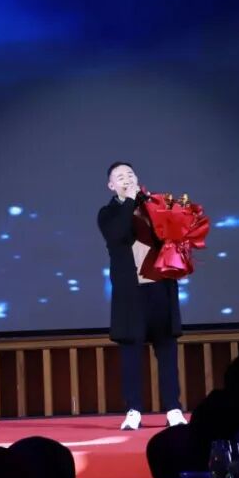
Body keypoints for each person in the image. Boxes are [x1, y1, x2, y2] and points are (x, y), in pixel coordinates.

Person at [98, 162, 186, 430]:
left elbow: (172, 235)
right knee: (131, 356)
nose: (126, 179)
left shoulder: (154, 205)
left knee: (167, 351)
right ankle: (133, 410)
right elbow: (118, 235)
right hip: (130, 294)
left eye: (130, 175)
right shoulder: (108, 213)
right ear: (111, 185)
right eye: (120, 177)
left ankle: (173, 409)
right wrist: (129, 202)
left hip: (160, 287)